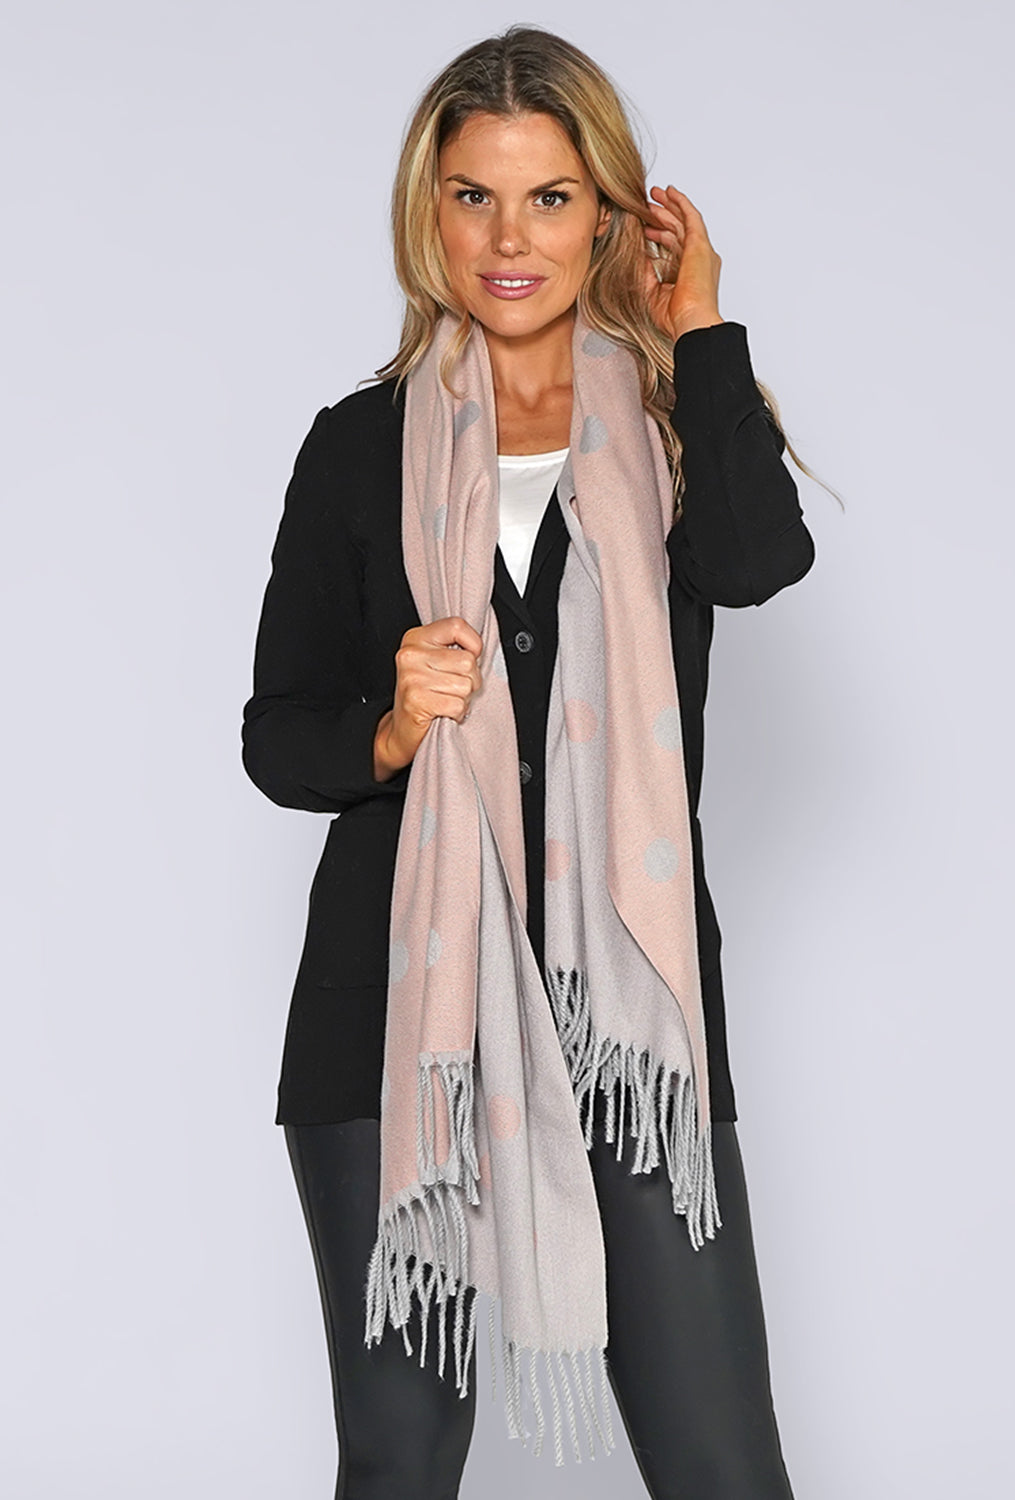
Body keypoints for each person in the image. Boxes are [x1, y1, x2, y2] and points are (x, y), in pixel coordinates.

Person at [241, 24, 818, 1499]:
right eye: (475, 197)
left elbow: (757, 563)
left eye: (550, 198)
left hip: (629, 1019)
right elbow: (278, 734)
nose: (510, 240)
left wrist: (699, 327)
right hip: (396, 1012)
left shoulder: (677, 423)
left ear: (607, 212)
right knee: (398, 1459)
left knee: (720, 1463)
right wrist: (389, 726)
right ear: (427, 212)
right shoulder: (357, 445)